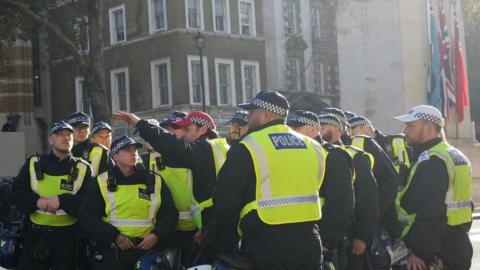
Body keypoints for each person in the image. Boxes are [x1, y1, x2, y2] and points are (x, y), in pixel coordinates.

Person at [205, 91, 327, 270]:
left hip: (266, 243)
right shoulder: (314, 146)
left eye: (251, 112)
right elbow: (316, 185)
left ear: (266, 115)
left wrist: (219, 247)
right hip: (309, 241)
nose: (248, 117)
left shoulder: (248, 145)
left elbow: (226, 201)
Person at [113, 110, 231, 261]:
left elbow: (171, 145)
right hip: (217, 225)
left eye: (187, 129)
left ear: (202, 129)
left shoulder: (205, 149)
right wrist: (206, 227)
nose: (183, 135)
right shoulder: (221, 147)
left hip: (216, 230)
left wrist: (139, 124)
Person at [79, 136, 178, 270]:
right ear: (115, 156)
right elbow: (86, 215)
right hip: (112, 251)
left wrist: (156, 235)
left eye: (135, 149)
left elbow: (170, 213)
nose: (134, 153)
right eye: (127, 150)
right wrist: (115, 236)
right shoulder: (101, 182)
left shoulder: (154, 180)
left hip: (146, 250)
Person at [394, 105, 473, 270]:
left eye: (410, 126)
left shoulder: (432, 160)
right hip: (456, 242)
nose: (404, 131)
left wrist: (420, 252)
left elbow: (431, 211)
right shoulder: (455, 155)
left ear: (428, 128)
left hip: (435, 251)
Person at [13, 121, 92, 270]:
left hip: (67, 238)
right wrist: (37, 202)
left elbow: (88, 203)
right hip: (36, 235)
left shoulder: (83, 168)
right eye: (60, 134)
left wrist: (61, 201)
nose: (66, 138)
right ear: (51, 140)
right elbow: (17, 193)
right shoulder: (33, 163)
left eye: (69, 135)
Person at [288, 110, 354, 270]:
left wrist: (327, 240)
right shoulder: (294, 154)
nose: (292, 133)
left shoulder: (332, 155)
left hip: (322, 241)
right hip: (297, 238)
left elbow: (341, 203)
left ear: (312, 130)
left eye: (297, 129)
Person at [319, 114, 379, 270]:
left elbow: (368, 200)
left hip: (353, 237)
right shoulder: (320, 154)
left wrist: (363, 236)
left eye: (324, 128)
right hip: (332, 238)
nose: (320, 132)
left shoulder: (354, 156)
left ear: (338, 131)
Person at [141, 112, 197, 265]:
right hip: (163, 230)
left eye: (176, 128)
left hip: (193, 231)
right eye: (167, 129)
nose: (170, 133)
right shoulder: (148, 159)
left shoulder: (197, 155)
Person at [348, 116, 402, 246]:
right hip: (377, 211)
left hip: (387, 210)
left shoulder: (373, 143)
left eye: (352, 132)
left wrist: (375, 209)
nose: (350, 136)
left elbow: (390, 179)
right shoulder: (365, 144)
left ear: (365, 126)